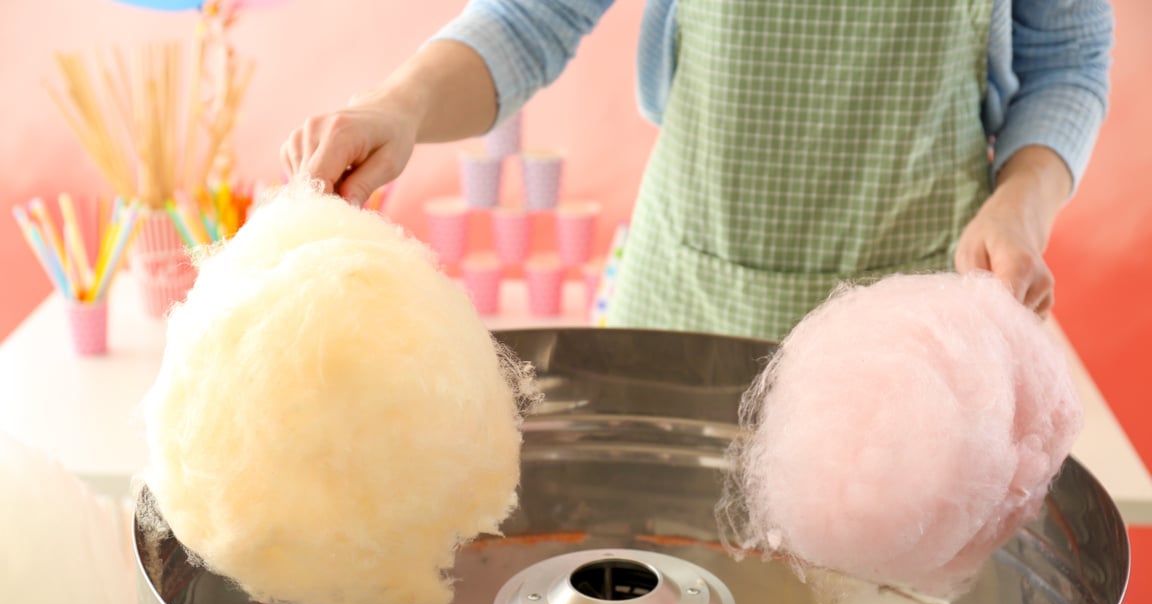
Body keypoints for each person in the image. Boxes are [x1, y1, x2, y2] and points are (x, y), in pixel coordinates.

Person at [281, 0, 1113, 341]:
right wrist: (403, 104)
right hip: (684, 312)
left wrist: (1020, 209)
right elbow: (536, 15)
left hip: (920, 316)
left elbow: (1067, 63)